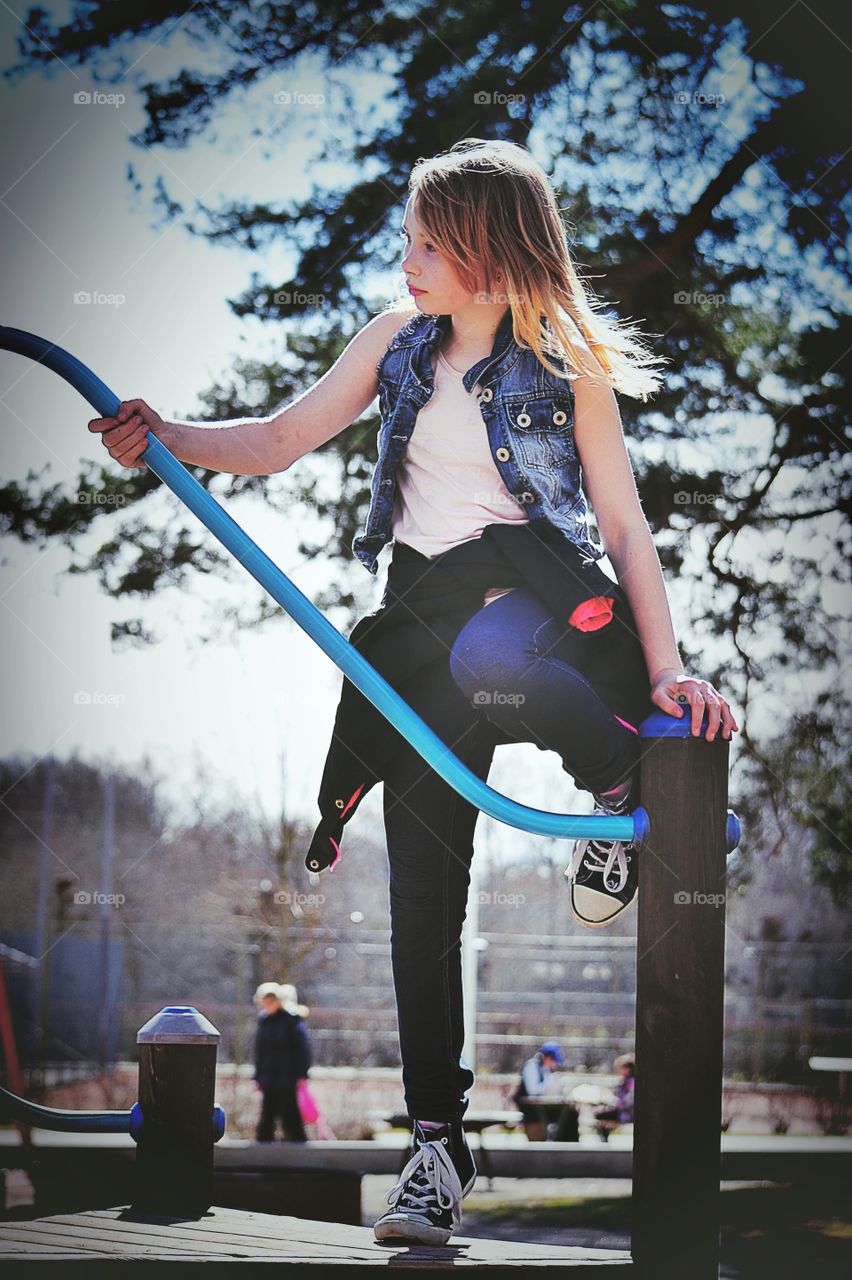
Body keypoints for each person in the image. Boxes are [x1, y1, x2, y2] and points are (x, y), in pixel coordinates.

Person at [88, 138, 739, 1246]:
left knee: (497, 661)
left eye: (429, 243)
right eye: (406, 240)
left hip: (534, 598)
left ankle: (619, 790)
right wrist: (165, 439)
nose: (408, 262)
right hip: (418, 624)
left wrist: (668, 665)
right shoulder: (396, 343)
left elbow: (624, 526)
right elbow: (284, 439)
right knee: (422, 898)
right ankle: (437, 1144)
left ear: (490, 248)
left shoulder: (564, 359)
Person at [251, 981, 311, 1143]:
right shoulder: (265, 1021)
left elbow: (302, 1050)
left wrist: (301, 1074)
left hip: (287, 1075)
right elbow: (260, 1051)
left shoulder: (291, 1020)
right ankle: (263, 1145)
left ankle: (297, 1144)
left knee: (289, 1111)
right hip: (269, 1075)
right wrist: (257, 1075)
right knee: (267, 1112)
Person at [511, 1042, 579, 1143]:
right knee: (568, 1115)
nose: (554, 1064)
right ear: (546, 1057)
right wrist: (551, 1080)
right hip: (531, 1109)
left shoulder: (545, 1069)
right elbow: (533, 1091)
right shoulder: (531, 1066)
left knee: (571, 1113)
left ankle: (567, 1147)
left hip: (542, 1107)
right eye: (552, 1060)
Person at [594, 1053, 635, 1140]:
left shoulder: (631, 1082)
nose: (618, 1071)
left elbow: (628, 1101)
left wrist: (614, 1103)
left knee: (602, 1115)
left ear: (628, 1069)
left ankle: (605, 1140)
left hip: (627, 1113)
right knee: (598, 1113)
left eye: (620, 1068)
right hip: (620, 1109)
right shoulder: (622, 1081)